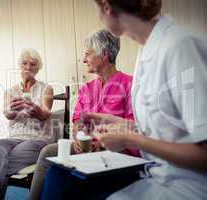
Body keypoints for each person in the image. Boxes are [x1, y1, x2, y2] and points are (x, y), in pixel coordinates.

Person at [40, 0, 207, 199]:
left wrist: (129, 138)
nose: (84, 59)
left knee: (65, 182)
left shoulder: (180, 45)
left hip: (185, 186)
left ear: (107, 7)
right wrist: (116, 123)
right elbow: (161, 130)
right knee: (59, 176)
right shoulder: (146, 51)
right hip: (153, 174)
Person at [29, 29, 139, 200]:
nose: (83, 59)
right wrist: (79, 140)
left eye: (88, 54)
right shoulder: (86, 88)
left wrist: (103, 143)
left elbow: (134, 126)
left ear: (104, 54)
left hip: (118, 152)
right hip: (87, 148)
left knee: (63, 176)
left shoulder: (130, 85)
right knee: (48, 152)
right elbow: (76, 122)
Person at [0, 48, 54, 200]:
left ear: (38, 68)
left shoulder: (46, 88)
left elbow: (45, 114)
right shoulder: (10, 91)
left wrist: (35, 109)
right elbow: (7, 115)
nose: (28, 67)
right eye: (24, 63)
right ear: (19, 66)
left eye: (32, 64)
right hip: (15, 138)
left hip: (38, 139)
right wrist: (13, 110)